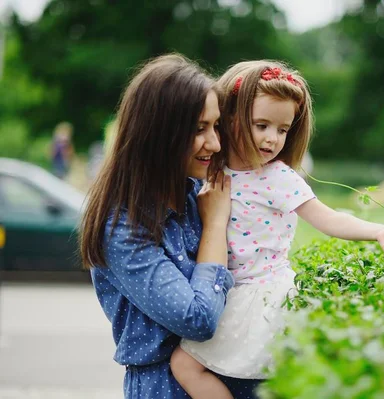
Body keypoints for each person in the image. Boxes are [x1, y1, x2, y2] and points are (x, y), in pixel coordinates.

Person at [170, 60, 384, 398]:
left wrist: (377, 231)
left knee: (189, 365)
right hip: (224, 293)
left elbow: (327, 218)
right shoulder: (210, 168)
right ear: (230, 118)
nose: (272, 139)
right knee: (188, 366)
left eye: (282, 130)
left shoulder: (277, 177)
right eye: (261, 125)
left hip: (260, 295)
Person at [79, 54, 261, 399]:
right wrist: (215, 225)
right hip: (169, 387)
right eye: (198, 129)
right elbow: (197, 319)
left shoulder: (198, 193)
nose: (216, 143)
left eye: (216, 126)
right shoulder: (123, 227)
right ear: (158, 135)